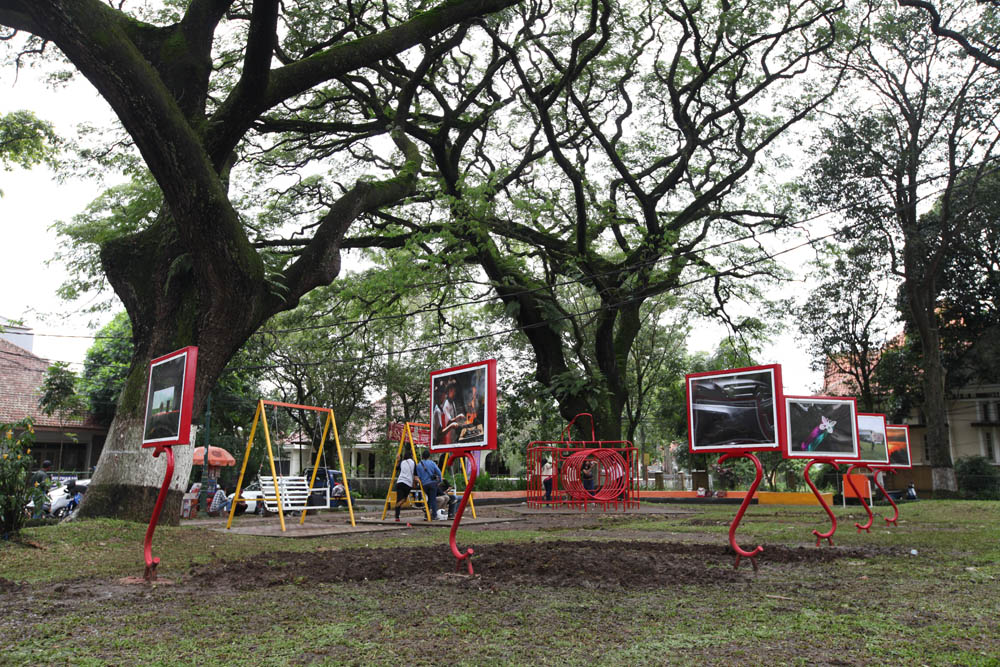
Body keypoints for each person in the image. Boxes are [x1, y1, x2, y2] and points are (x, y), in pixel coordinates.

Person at [415, 449, 442, 520]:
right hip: (432, 483)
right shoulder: (432, 463)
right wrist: (440, 480)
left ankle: (426, 515)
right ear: (429, 456)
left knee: (430, 498)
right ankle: (434, 515)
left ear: (423, 456)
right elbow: (438, 472)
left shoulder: (418, 465)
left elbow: (419, 476)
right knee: (433, 499)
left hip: (424, 485)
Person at [394, 449, 416, 522]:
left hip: (400, 482)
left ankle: (397, 517)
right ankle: (399, 503)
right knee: (404, 499)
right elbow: (415, 473)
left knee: (399, 499)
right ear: (411, 456)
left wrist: (398, 459)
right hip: (408, 483)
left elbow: (396, 468)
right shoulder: (413, 462)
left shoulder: (402, 462)